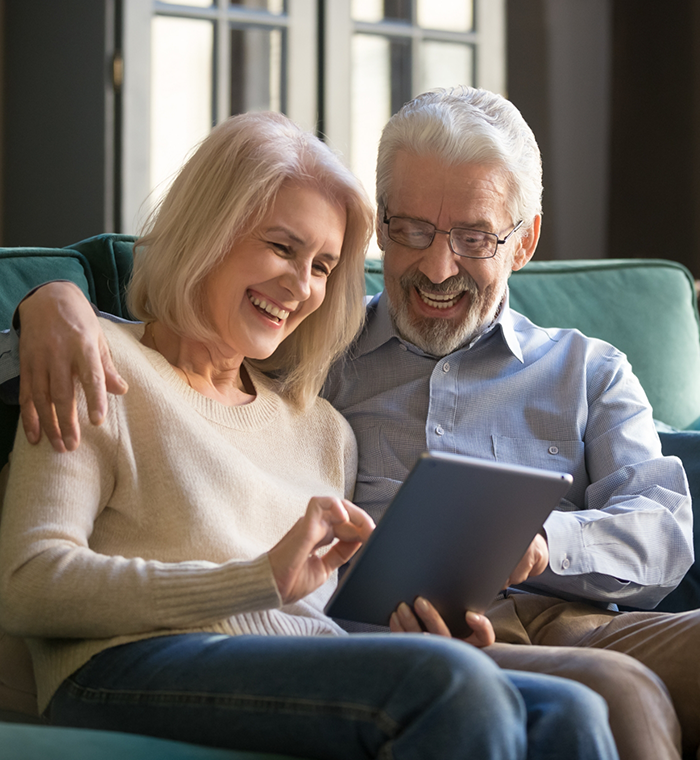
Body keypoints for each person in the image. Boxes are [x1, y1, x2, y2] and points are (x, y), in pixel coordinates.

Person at [0, 111, 620, 760]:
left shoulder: (323, 430)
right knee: (450, 685)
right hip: (123, 665)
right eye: (282, 247)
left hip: (284, 665)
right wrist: (254, 578)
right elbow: (27, 583)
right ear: (209, 228)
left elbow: (316, 627)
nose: (301, 287)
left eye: (324, 266)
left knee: (568, 712)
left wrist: (409, 639)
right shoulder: (92, 361)